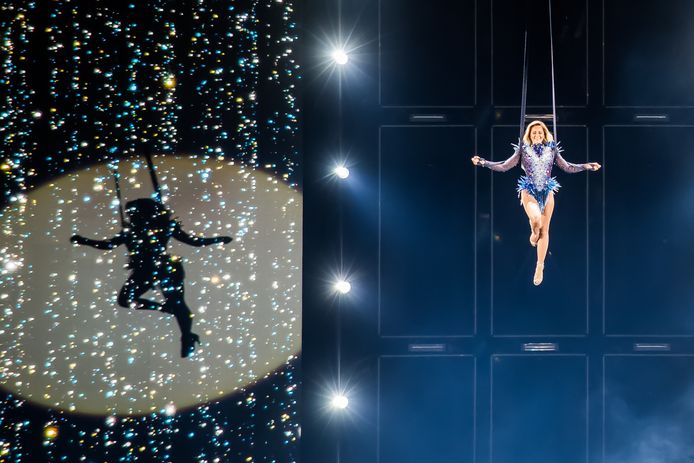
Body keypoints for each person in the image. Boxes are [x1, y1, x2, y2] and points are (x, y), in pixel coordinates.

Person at [71, 198, 232, 357]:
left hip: (159, 269)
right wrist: (84, 241)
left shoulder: (155, 228)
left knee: (176, 303)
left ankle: (186, 335)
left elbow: (193, 241)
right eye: (129, 214)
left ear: (143, 214)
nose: (130, 217)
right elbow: (108, 244)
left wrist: (217, 240)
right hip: (153, 269)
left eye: (132, 214)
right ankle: (175, 321)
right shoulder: (136, 231)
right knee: (132, 300)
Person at [471, 120, 601, 285]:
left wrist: (586, 166)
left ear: (544, 134)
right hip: (529, 190)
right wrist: (483, 162)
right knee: (536, 220)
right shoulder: (523, 149)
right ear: (530, 135)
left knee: (545, 230)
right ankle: (533, 235)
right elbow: (504, 166)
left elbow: (568, 167)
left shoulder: (552, 149)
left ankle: (540, 265)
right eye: (534, 133)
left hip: (547, 191)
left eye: (540, 132)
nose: (537, 135)